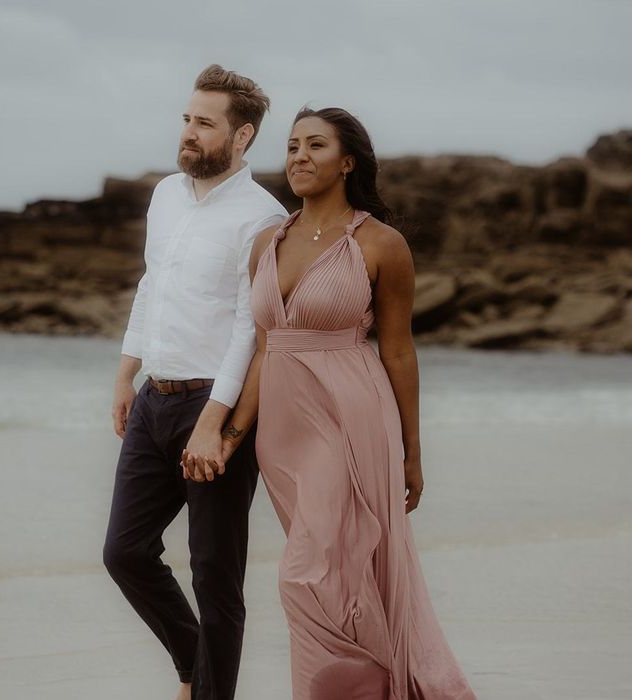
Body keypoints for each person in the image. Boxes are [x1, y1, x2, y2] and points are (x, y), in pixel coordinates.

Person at [183, 107, 477, 699]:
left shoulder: (381, 244)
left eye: (316, 145)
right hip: (282, 436)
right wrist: (232, 435)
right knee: (338, 576)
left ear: (348, 162)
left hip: (349, 419)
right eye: (292, 147)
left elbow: (397, 351)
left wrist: (412, 453)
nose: (299, 157)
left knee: (304, 576)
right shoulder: (267, 243)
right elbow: (267, 351)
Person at [102, 65, 287, 700]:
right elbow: (154, 284)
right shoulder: (165, 195)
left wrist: (216, 421)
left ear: (243, 136)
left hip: (218, 408)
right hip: (155, 399)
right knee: (124, 553)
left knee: (215, 577)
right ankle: (193, 662)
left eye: (205, 124)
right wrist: (129, 370)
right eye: (187, 118)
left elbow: (250, 328)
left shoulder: (264, 218)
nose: (189, 133)